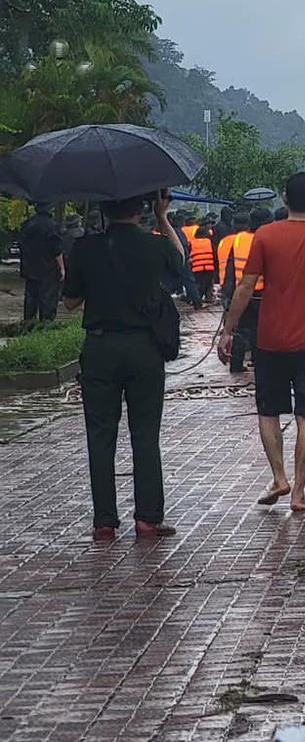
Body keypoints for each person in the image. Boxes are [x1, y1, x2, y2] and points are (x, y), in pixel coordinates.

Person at [221, 173, 305, 513]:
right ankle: (299, 494)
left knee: (268, 411)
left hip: (271, 341)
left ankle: (279, 477)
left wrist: (229, 329)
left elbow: (246, 287)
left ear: (284, 198)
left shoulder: (264, 236)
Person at [60, 190, 185, 540]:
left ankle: (104, 521)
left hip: (100, 347)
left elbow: (69, 302)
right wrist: (163, 217)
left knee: (101, 436)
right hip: (144, 349)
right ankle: (147, 517)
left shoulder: (85, 248)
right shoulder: (155, 244)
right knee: (145, 434)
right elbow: (180, 262)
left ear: (103, 209)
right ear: (142, 208)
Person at [217, 211, 265, 374]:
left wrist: (228, 293)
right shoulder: (265, 240)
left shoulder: (238, 239)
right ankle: (259, 364)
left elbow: (231, 267)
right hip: (262, 294)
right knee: (261, 331)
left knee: (241, 329)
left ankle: (236, 364)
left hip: (241, 292)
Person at [17, 202, 65, 326]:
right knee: (47, 299)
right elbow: (57, 249)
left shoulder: (27, 224)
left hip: (30, 268)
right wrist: (62, 267)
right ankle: (46, 326)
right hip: (48, 269)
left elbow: (21, 243)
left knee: (30, 298)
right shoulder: (52, 226)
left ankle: (28, 324)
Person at [188, 217, 218, 305]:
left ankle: (195, 299)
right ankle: (208, 298)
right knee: (208, 284)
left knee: (198, 284)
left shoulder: (192, 243)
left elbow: (188, 255)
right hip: (209, 267)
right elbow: (215, 255)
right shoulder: (209, 242)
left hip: (196, 268)